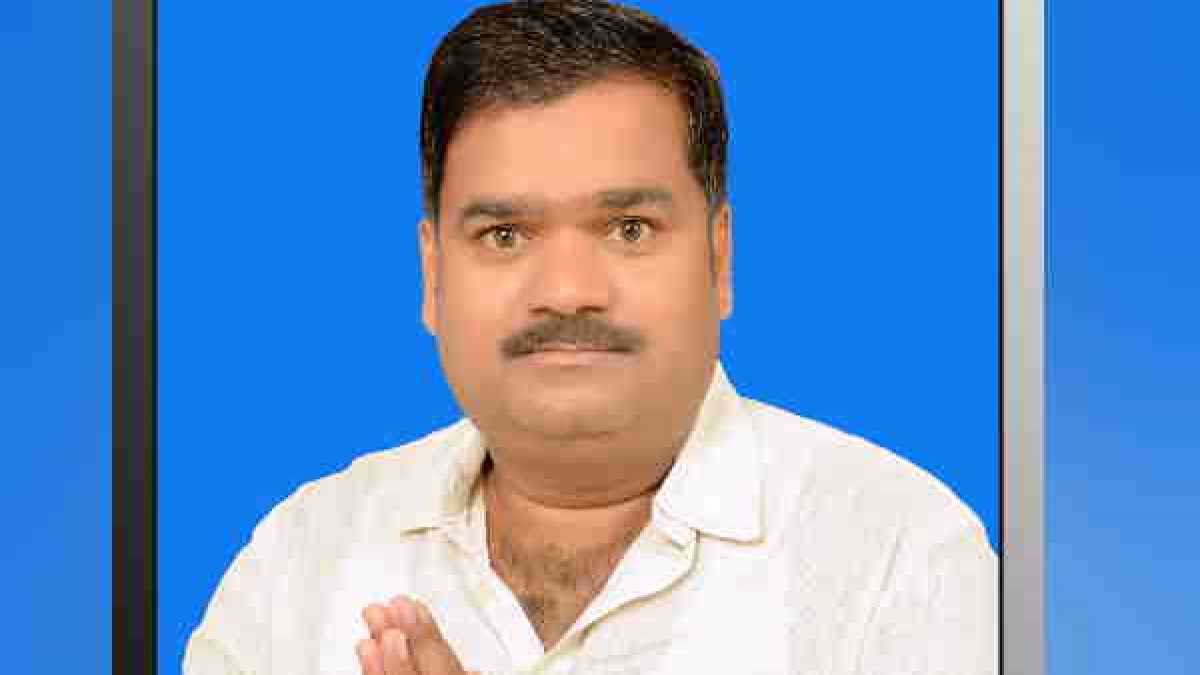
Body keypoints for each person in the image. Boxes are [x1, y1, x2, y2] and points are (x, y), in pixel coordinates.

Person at [183, 2, 998, 674]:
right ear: (433, 275)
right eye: (505, 235)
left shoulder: (898, 557)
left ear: (719, 258)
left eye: (628, 228)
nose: (568, 290)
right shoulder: (304, 561)